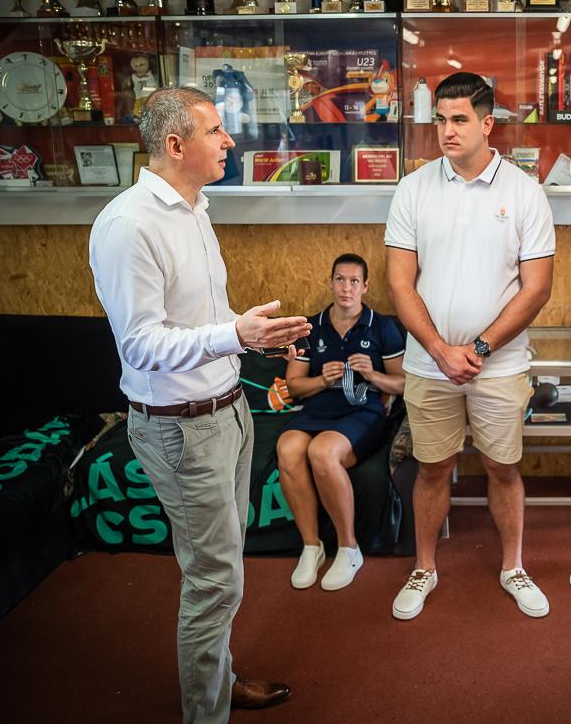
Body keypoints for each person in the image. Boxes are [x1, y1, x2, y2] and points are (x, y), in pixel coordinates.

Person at [89, 86, 311, 722]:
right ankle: (205, 712)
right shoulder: (130, 225)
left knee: (224, 569)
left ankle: (219, 682)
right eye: (215, 131)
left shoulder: (195, 208)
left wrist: (249, 333)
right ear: (175, 144)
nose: (229, 140)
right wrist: (236, 334)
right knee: (214, 581)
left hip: (227, 412)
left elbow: (199, 316)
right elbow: (141, 345)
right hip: (181, 429)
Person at [384, 71, 555, 621]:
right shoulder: (414, 188)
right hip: (428, 364)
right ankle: (424, 568)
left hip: (499, 366)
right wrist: (439, 349)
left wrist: (478, 349)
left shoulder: (524, 192)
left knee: (502, 468)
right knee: (432, 468)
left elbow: (537, 288)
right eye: (441, 119)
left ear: (487, 124)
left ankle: (513, 567)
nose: (447, 131)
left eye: (459, 120)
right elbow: (400, 283)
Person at [277, 252, 405, 591]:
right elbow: (294, 386)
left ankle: (349, 548)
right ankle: (312, 546)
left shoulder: (382, 326)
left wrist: (372, 375)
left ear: (365, 286)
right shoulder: (310, 327)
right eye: (340, 280)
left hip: (364, 412)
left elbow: (404, 383)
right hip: (319, 409)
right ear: (330, 282)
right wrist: (322, 380)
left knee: (322, 452)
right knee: (288, 449)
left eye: (353, 281)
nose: (346, 288)